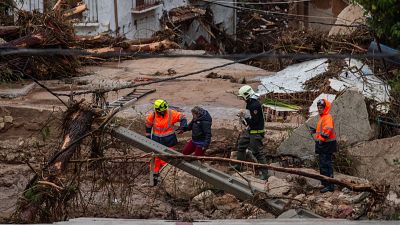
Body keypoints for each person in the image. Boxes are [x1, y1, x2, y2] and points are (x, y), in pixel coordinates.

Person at [145, 99, 188, 185]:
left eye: (165, 110)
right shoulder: (152, 116)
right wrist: (148, 138)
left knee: (167, 162)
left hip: (169, 143)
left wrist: (182, 127)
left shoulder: (171, 113)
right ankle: (153, 180)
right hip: (156, 143)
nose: (164, 112)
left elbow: (183, 118)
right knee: (154, 162)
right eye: (162, 111)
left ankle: (168, 181)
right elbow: (148, 126)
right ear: (157, 110)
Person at [235, 85, 269, 180]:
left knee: (258, 152)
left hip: (256, 131)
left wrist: (245, 116)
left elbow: (254, 121)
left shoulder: (254, 105)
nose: (242, 98)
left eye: (242, 97)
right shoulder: (250, 103)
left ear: (246, 95)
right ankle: (239, 165)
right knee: (241, 145)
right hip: (251, 130)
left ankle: (265, 173)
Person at [313, 98, 337, 193]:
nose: (319, 109)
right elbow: (324, 129)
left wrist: (321, 140)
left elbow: (328, 130)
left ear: (325, 108)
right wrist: (315, 131)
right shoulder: (323, 117)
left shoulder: (327, 117)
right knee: (323, 164)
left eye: (321, 107)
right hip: (324, 144)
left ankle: (330, 186)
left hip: (326, 144)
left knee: (326, 165)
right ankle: (325, 183)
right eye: (318, 107)